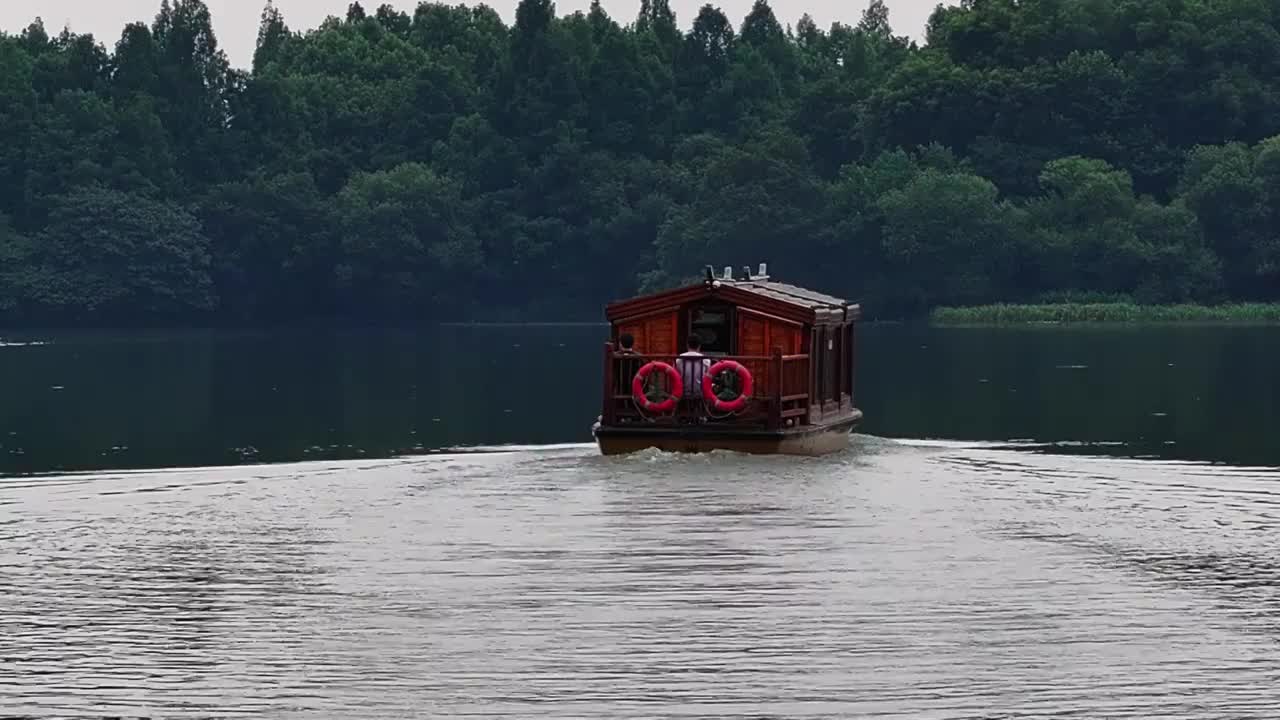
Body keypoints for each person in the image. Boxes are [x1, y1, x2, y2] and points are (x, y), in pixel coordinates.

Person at [676, 333, 712, 404]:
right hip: (700, 392)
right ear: (699, 346)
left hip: (683, 391)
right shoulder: (706, 360)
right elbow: (708, 378)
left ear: (687, 345)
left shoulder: (679, 359)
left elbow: (676, 376)